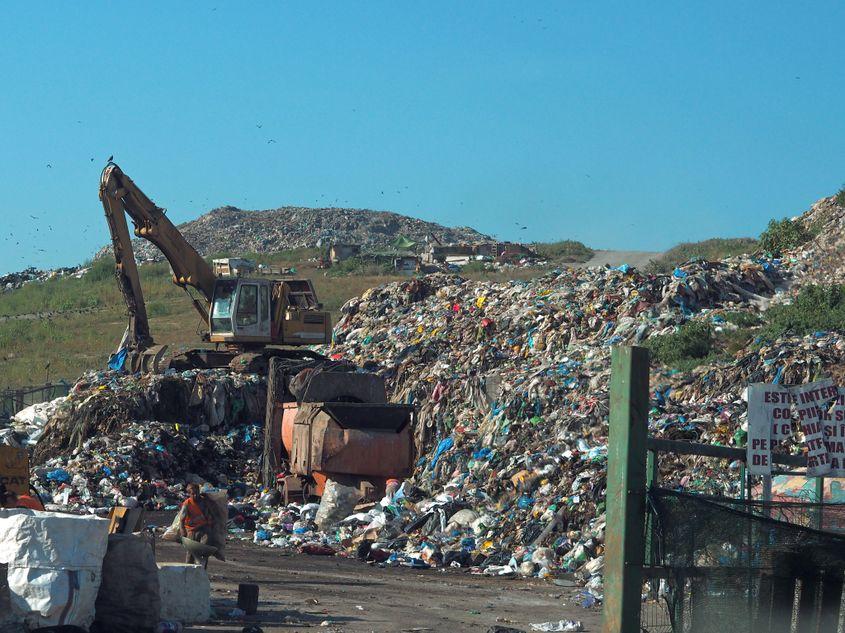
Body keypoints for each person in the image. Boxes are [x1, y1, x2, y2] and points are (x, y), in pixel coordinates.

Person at [180, 483, 214, 564]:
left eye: (196, 493)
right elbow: (182, 519)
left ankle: (201, 571)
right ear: (189, 494)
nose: (195, 496)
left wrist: (210, 525)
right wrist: (182, 530)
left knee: (204, 550)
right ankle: (188, 570)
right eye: (192, 494)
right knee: (191, 552)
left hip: (204, 528)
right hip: (192, 529)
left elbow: (209, 514)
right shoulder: (187, 503)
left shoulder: (204, 501)